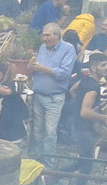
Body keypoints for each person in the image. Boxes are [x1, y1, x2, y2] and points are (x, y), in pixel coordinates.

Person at [63, 53, 107, 185]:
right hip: (84, 129)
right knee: (86, 164)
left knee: (84, 160)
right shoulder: (93, 87)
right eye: (103, 65)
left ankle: (51, 177)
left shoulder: (85, 79)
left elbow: (73, 91)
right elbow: (85, 112)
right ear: (93, 67)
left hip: (77, 125)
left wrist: (80, 102)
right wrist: (104, 117)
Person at [29, 23, 75, 168]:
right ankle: (37, 161)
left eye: (48, 35)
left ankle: (48, 165)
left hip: (54, 98)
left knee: (50, 132)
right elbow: (38, 70)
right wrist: (32, 67)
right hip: (39, 95)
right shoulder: (43, 48)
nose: (44, 38)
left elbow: (65, 73)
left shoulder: (68, 49)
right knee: (37, 130)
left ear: (57, 35)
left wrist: (42, 68)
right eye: (43, 35)